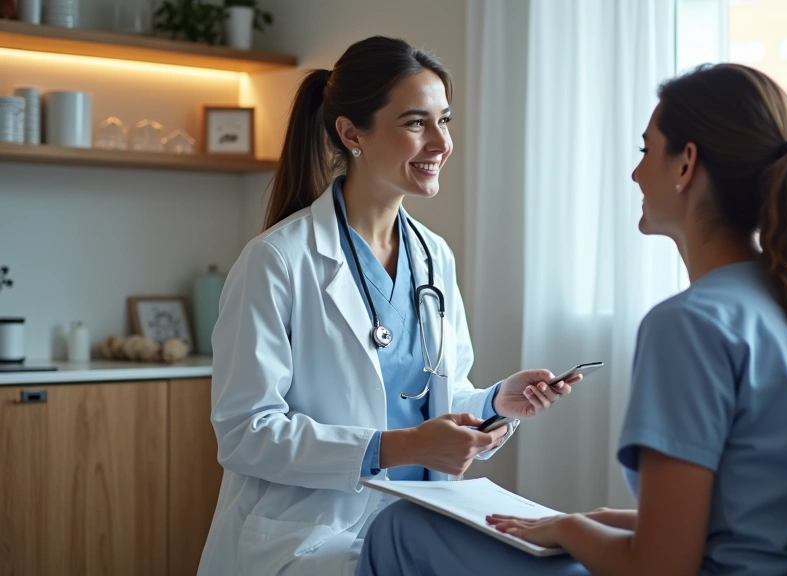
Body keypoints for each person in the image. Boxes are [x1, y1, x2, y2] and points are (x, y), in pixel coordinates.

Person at [356, 62, 787, 576]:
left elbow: (661, 567)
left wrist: (570, 529)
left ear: (686, 164)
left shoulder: (691, 324)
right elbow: (747, 513)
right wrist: (594, 519)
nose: (636, 172)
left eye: (646, 151)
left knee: (401, 529)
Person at [198, 36, 584, 576]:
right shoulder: (278, 261)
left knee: (561, 562)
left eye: (443, 121)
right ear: (351, 132)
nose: (441, 142)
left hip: (422, 517)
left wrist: (497, 403)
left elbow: (432, 398)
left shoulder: (433, 256)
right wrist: (398, 447)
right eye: (415, 123)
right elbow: (246, 434)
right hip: (314, 534)